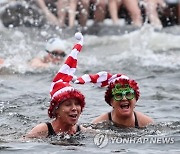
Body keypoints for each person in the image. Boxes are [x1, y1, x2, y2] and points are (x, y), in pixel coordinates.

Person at [25, 32, 86, 138]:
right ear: (56, 109)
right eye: (68, 104)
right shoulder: (42, 130)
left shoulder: (81, 130)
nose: (74, 108)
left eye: (77, 104)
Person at [74, 71, 153, 128]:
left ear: (136, 99)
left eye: (129, 94)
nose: (124, 98)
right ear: (111, 101)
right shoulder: (98, 124)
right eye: (118, 95)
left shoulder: (146, 123)